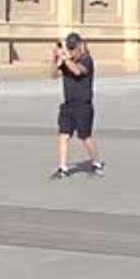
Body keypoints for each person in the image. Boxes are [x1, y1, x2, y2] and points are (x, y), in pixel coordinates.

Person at [51, 33, 104, 179]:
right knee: (63, 135)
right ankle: (63, 167)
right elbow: (53, 75)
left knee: (85, 137)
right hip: (68, 104)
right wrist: (56, 60)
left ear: (80, 46)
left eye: (73, 48)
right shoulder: (68, 61)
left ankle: (96, 163)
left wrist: (66, 59)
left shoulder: (87, 60)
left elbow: (77, 71)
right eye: (70, 48)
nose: (72, 51)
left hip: (83, 105)